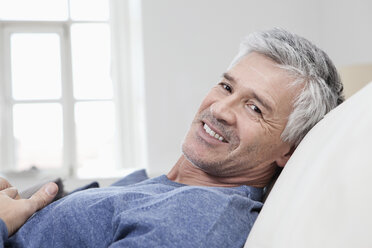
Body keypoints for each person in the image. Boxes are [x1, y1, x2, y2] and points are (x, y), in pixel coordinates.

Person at [0, 28, 344, 247]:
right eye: (226, 86)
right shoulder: (161, 187)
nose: (221, 109)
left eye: (255, 108)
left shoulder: (197, 219)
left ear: (289, 149)